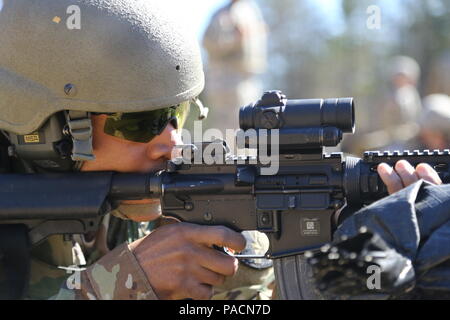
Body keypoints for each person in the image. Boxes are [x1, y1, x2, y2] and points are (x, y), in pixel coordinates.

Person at [0, 0, 441, 300]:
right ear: (51, 127)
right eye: (140, 122)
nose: (172, 140)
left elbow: (261, 297)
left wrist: (365, 253)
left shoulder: (151, 202)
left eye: (179, 113)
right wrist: (126, 283)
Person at [202, 0, 267, 134]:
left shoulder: (251, 10)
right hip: (228, 79)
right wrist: (235, 39)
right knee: (231, 127)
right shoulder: (223, 15)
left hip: (248, 77)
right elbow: (209, 43)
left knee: (249, 123)